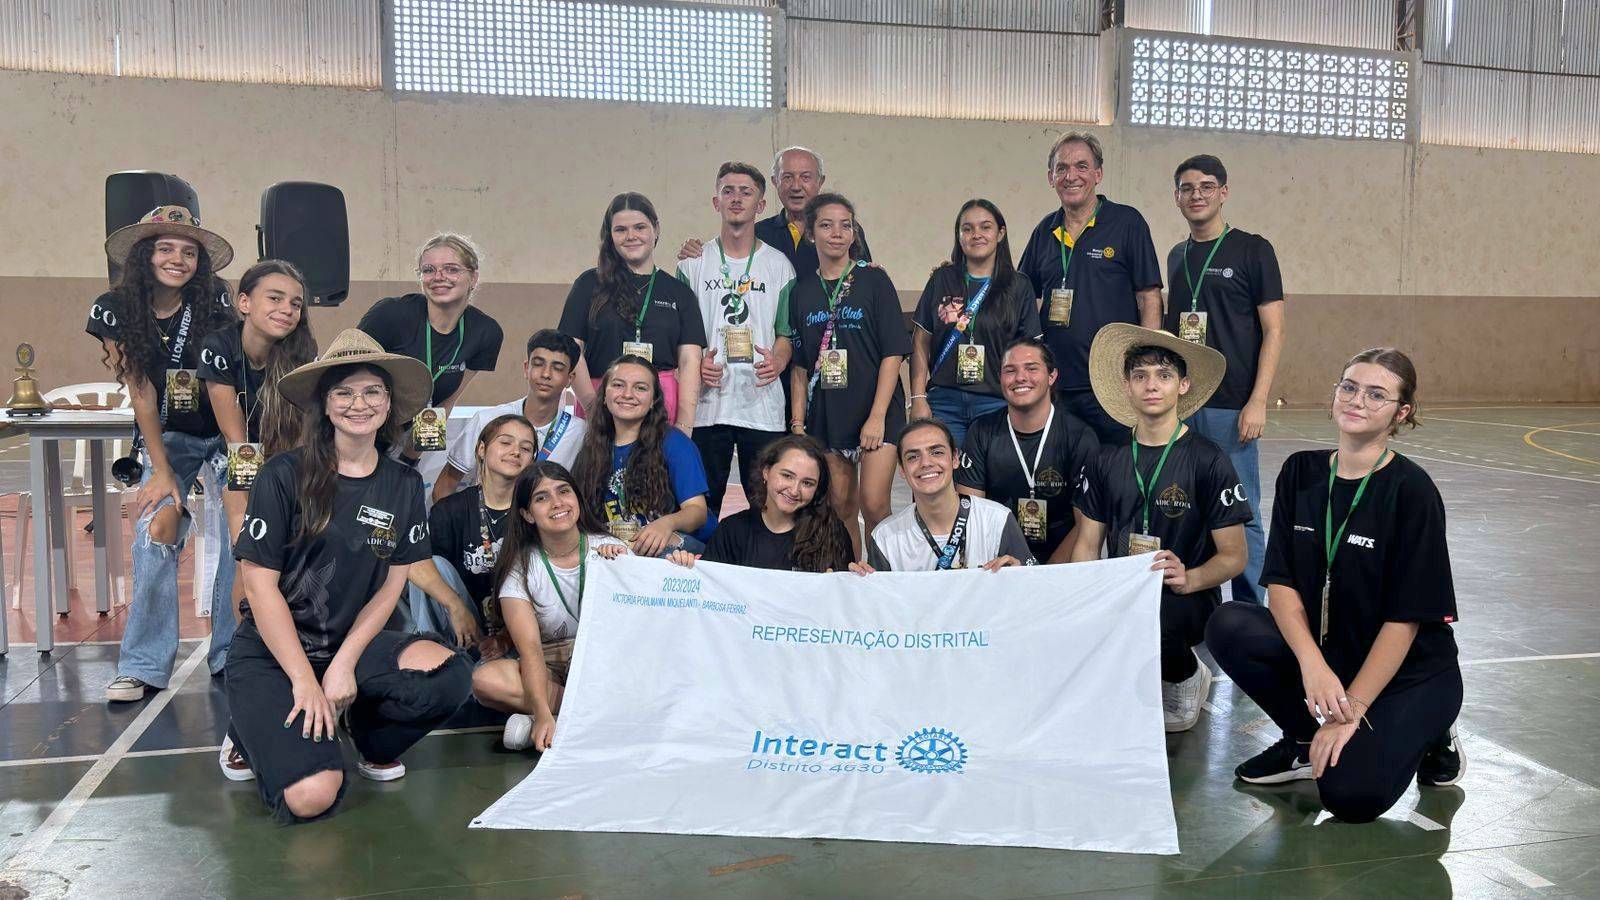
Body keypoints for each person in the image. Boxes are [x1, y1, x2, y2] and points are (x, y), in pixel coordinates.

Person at [219, 329, 472, 823]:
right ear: (325, 405)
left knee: (450, 677)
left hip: (349, 646)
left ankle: (369, 741)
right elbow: (258, 585)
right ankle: (249, 728)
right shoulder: (282, 475)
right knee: (312, 796)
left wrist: (342, 666)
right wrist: (303, 680)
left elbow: (392, 584)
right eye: (344, 392)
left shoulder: (403, 484)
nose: (360, 404)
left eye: (373, 391)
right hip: (275, 652)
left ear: (389, 402)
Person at [1205, 348, 1464, 822]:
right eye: (1349, 387)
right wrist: (1313, 667)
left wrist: (1353, 709)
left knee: (1349, 795)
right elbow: (1281, 585)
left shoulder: (1412, 491)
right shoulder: (1300, 472)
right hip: (1333, 656)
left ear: (1401, 413)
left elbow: (1405, 621)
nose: (1357, 400)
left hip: (1408, 670)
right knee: (1230, 623)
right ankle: (1304, 741)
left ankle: (1434, 733)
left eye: (1376, 394)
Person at [89, 206, 239, 699]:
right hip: (170, 435)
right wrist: (161, 471)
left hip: (229, 427)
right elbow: (142, 391)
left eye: (189, 252)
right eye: (166, 248)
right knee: (157, 529)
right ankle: (143, 666)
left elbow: (226, 379)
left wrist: (240, 448)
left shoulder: (216, 299)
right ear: (144, 255)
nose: (178, 259)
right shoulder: (114, 307)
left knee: (244, 533)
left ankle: (233, 655)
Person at [1072, 325, 1250, 733]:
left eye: (1164, 375)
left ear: (1182, 386)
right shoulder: (1106, 458)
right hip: (1125, 587)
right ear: (1127, 387)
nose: (1151, 385)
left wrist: (1191, 578)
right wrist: (1087, 596)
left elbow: (1235, 556)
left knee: (1159, 617)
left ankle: (1185, 674)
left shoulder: (1209, 460)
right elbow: (1087, 544)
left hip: (1185, 596)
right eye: (1140, 376)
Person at [1164, 154, 1285, 605]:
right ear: (1177, 197)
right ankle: (1197, 604)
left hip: (1232, 406)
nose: (1196, 195)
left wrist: (1258, 400)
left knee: (1241, 512)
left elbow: (1274, 330)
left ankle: (1252, 610)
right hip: (1184, 404)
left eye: (1206, 186)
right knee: (1187, 507)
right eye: (1187, 188)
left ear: (1223, 193)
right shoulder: (1177, 256)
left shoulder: (1253, 250)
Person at [1017, 133, 1163, 443]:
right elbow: (1021, 296)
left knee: (1116, 467)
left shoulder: (1127, 222)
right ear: (1050, 178)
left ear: (1098, 174)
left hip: (1113, 386)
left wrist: (1145, 367)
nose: (1071, 176)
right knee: (1060, 468)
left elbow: (1149, 297)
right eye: (1061, 168)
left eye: (1081, 166)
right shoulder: (1045, 231)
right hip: (1056, 385)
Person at [198, 259, 319, 633]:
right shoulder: (219, 346)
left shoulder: (302, 349)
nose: (287, 309)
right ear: (245, 302)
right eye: (275, 298)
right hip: (236, 457)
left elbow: (303, 430)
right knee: (248, 552)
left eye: (295, 303)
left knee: (296, 549)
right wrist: (256, 501)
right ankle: (240, 645)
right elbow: (235, 439)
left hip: (285, 456)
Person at [786, 193, 909, 558]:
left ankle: (884, 579)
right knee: (840, 507)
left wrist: (876, 416)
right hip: (828, 414)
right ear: (811, 234)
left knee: (874, 504)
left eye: (846, 225)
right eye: (826, 225)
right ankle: (852, 575)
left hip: (877, 409)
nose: (837, 233)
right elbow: (800, 365)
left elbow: (892, 352)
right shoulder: (801, 292)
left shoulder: (874, 280)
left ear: (854, 232)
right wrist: (798, 424)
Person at [473, 462, 628, 751]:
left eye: (564, 491)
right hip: (549, 662)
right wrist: (542, 712)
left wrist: (623, 569)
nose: (557, 503)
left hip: (604, 658)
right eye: (542, 498)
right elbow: (530, 650)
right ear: (527, 514)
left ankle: (562, 721)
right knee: (486, 680)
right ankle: (585, 717)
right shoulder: (521, 569)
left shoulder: (610, 549)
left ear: (577, 498)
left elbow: (639, 631)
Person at [677, 162, 797, 516]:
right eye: (728, 191)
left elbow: (785, 333)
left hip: (761, 405)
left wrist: (778, 361)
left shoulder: (779, 265)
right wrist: (697, 364)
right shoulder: (691, 264)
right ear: (716, 201)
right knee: (701, 506)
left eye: (746, 192)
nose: (736, 198)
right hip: (706, 405)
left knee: (767, 506)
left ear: (761, 205)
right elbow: (682, 336)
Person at [558, 192, 706, 429]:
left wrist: (685, 424)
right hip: (599, 399)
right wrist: (592, 407)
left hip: (660, 404)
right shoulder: (589, 284)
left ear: (656, 229)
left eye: (640, 227)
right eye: (621, 230)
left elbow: (690, 360)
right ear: (610, 235)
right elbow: (571, 348)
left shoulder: (679, 292)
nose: (631, 236)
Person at [358, 233, 506, 461]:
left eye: (451, 269)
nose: (439, 277)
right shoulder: (390, 315)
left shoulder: (485, 332)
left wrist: (410, 460)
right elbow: (346, 379)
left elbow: (446, 400)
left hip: (404, 439)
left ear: (474, 277)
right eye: (428, 270)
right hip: (357, 432)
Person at [910, 199, 1042, 447]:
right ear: (959, 236)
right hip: (944, 401)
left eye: (985, 227)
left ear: (1000, 234)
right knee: (944, 470)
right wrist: (918, 398)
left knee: (994, 471)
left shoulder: (1019, 285)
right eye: (967, 229)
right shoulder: (942, 279)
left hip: (997, 401)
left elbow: (1032, 352)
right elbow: (920, 340)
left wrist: (1029, 402)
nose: (976, 234)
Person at [957, 338, 1099, 564]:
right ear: (1000, 378)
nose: (1020, 377)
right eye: (1010, 370)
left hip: (1060, 565)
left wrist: (1042, 575)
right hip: (998, 563)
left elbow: (1086, 528)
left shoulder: (1080, 436)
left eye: (1031, 368)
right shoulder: (981, 432)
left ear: (1052, 376)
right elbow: (971, 515)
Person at [410, 415, 538, 650]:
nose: (515, 452)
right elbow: (416, 564)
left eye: (526, 448)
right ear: (481, 449)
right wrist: (455, 605)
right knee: (433, 565)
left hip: (518, 628)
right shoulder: (449, 510)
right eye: (505, 442)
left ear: (532, 460)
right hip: (464, 622)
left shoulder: (535, 512)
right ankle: (432, 654)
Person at [571, 356, 714, 556]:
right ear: (604, 395)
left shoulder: (674, 443)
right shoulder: (591, 445)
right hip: (620, 547)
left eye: (640, 388)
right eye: (618, 385)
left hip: (676, 547)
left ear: (654, 400)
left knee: (658, 547)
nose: (627, 394)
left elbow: (697, 511)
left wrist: (666, 524)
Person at [853, 419, 1033, 572]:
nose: (926, 463)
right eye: (913, 457)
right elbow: (879, 601)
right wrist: (859, 585)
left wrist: (1020, 576)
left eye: (936, 452)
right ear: (902, 469)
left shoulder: (998, 520)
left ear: (955, 458)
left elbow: (1035, 590)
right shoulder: (885, 538)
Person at [433, 329, 587, 502]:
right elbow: (445, 486)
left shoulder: (580, 432)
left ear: (570, 378)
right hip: (487, 518)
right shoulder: (487, 420)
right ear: (526, 369)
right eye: (538, 364)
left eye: (557, 368)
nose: (546, 374)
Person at [669, 434, 853, 573]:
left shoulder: (831, 532)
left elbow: (844, 601)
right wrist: (687, 570)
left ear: (817, 488)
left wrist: (857, 578)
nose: (794, 490)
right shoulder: (732, 530)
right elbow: (709, 592)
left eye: (807, 483)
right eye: (787, 476)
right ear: (766, 471)